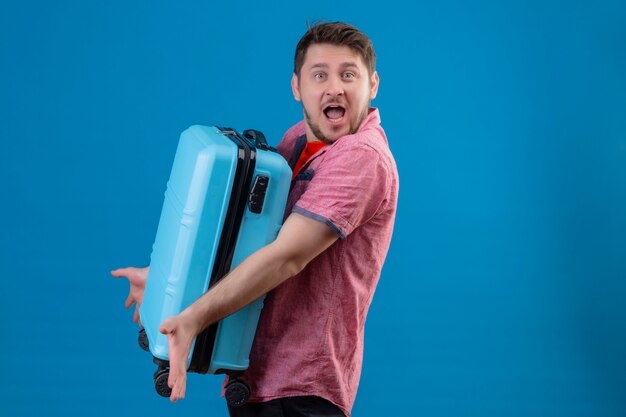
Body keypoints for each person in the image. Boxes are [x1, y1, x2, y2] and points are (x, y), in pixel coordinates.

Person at [112, 21, 398, 417]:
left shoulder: (362, 157)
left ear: (372, 85)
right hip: (258, 378)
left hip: (302, 388)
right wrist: (164, 280)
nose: (335, 87)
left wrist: (193, 317)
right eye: (320, 75)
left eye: (348, 74)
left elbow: (286, 256)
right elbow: (247, 233)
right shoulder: (300, 138)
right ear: (297, 87)